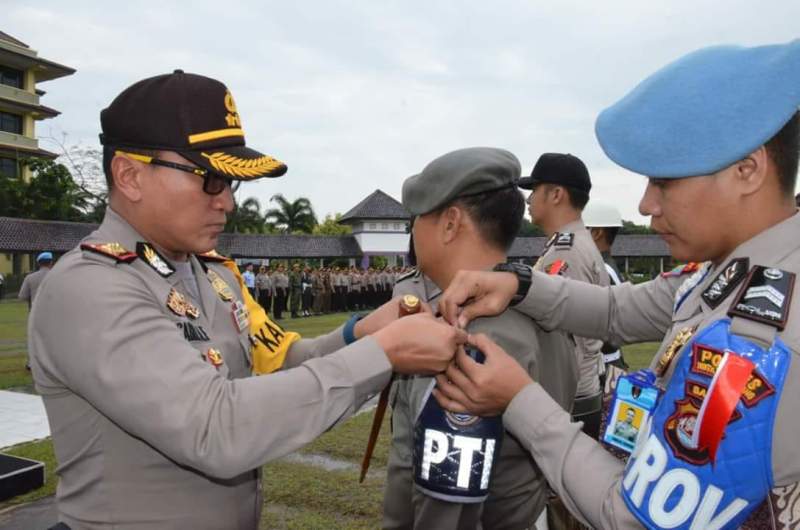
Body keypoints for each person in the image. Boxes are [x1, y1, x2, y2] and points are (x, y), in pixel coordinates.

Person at [27, 70, 465, 530]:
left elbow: (280, 365)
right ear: (130, 176)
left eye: (232, 184)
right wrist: (384, 353)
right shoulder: (91, 288)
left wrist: (362, 333)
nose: (227, 203)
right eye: (211, 179)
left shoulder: (212, 275)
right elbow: (216, 428)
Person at [434, 40, 800, 529]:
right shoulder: (733, 269)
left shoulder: (761, 342)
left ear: (748, 170)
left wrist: (517, 399)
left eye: (665, 182)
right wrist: (519, 287)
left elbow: (632, 519)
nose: (646, 205)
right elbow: (617, 311)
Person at [383, 147, 578, 530]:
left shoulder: (464, 337)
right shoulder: (537, 304)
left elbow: (447, 510)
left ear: (450, 223)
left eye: (418, 216)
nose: (414, 230)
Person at [519, 153, 609, 441]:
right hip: (574, 391)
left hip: (569, 395)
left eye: (534, 191)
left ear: (556, 194)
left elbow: (573, 332)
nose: (529, 200)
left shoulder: (567, 250)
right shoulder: (568, 243)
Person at [582, 201, 630, 386]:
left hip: (604, 368)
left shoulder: (600, 269)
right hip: (608, 364)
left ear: (596, 232)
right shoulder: (605, 265)